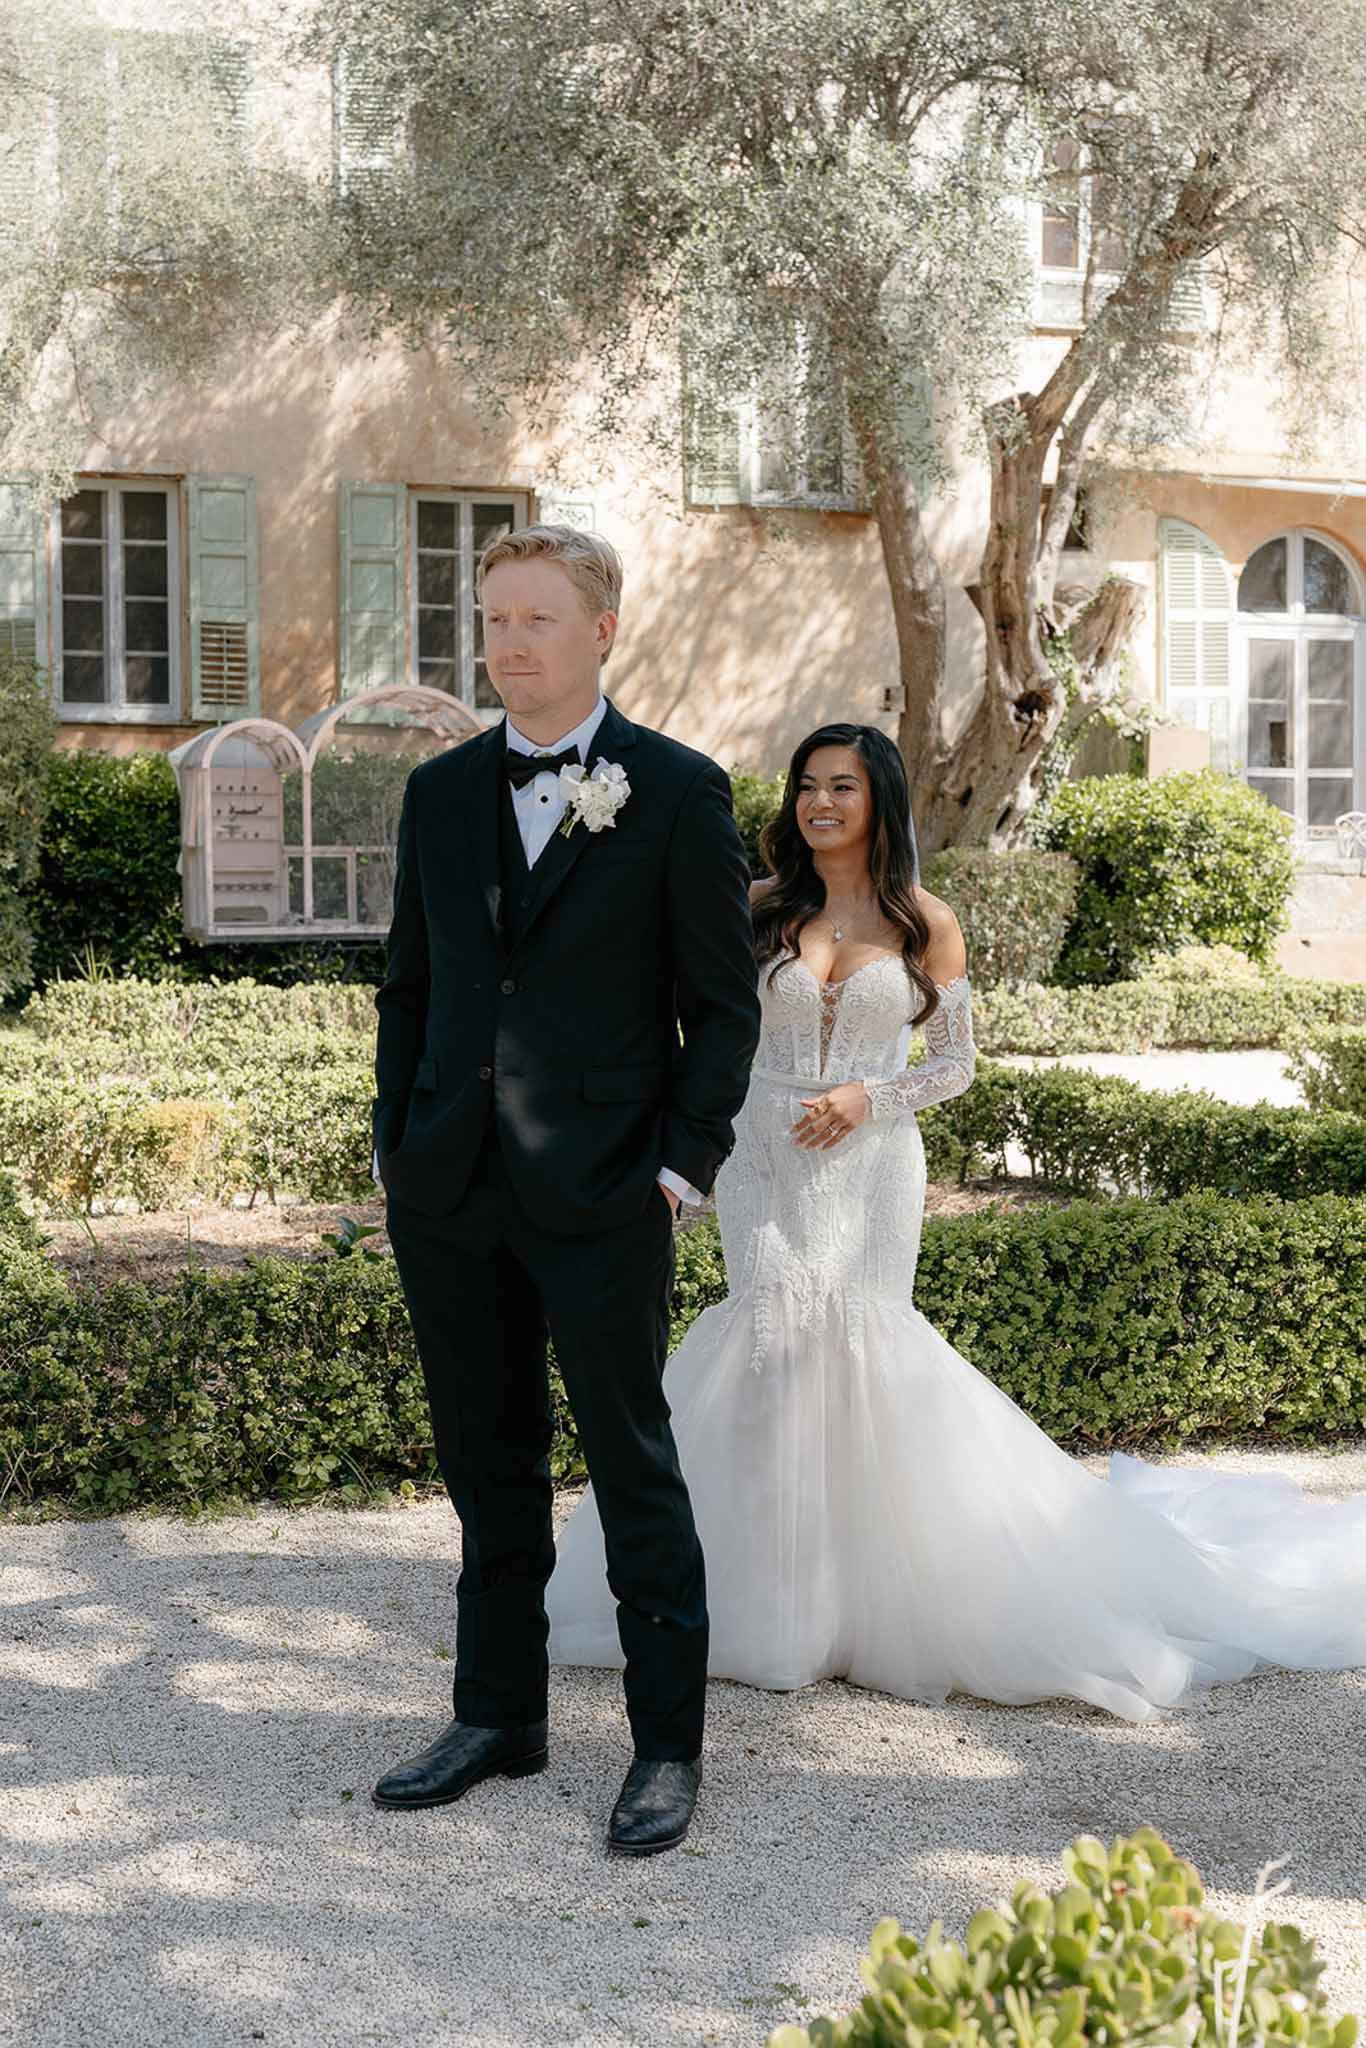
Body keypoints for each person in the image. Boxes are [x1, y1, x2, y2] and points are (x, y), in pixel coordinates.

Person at [548, 722, 1366, 1717]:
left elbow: (955, 1063)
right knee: (762, 1328)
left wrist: (866, 1098)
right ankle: (766, 1602)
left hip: (870, 1157)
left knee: (864, 1341)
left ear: (878, 800)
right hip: (763, 1153)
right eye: (808, 785)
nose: (819, 803)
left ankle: (878, 1597)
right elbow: (698, 1025)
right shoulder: (757, 908)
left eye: (842, 786)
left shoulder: (925, 919)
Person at [372, 524, 760, 1853]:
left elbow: (720, 1010)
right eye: (492, 618)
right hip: (450, 1193)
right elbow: (410, 993)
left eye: (536, 619)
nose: (507, 643)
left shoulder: (678, 792)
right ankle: (497, 1716)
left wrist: (674, 1170)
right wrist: (399, 1149)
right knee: (486, 1466)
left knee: (632, 1465)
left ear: (601, 631)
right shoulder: (436, 794)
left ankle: (664, 1749)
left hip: (605, 1192)